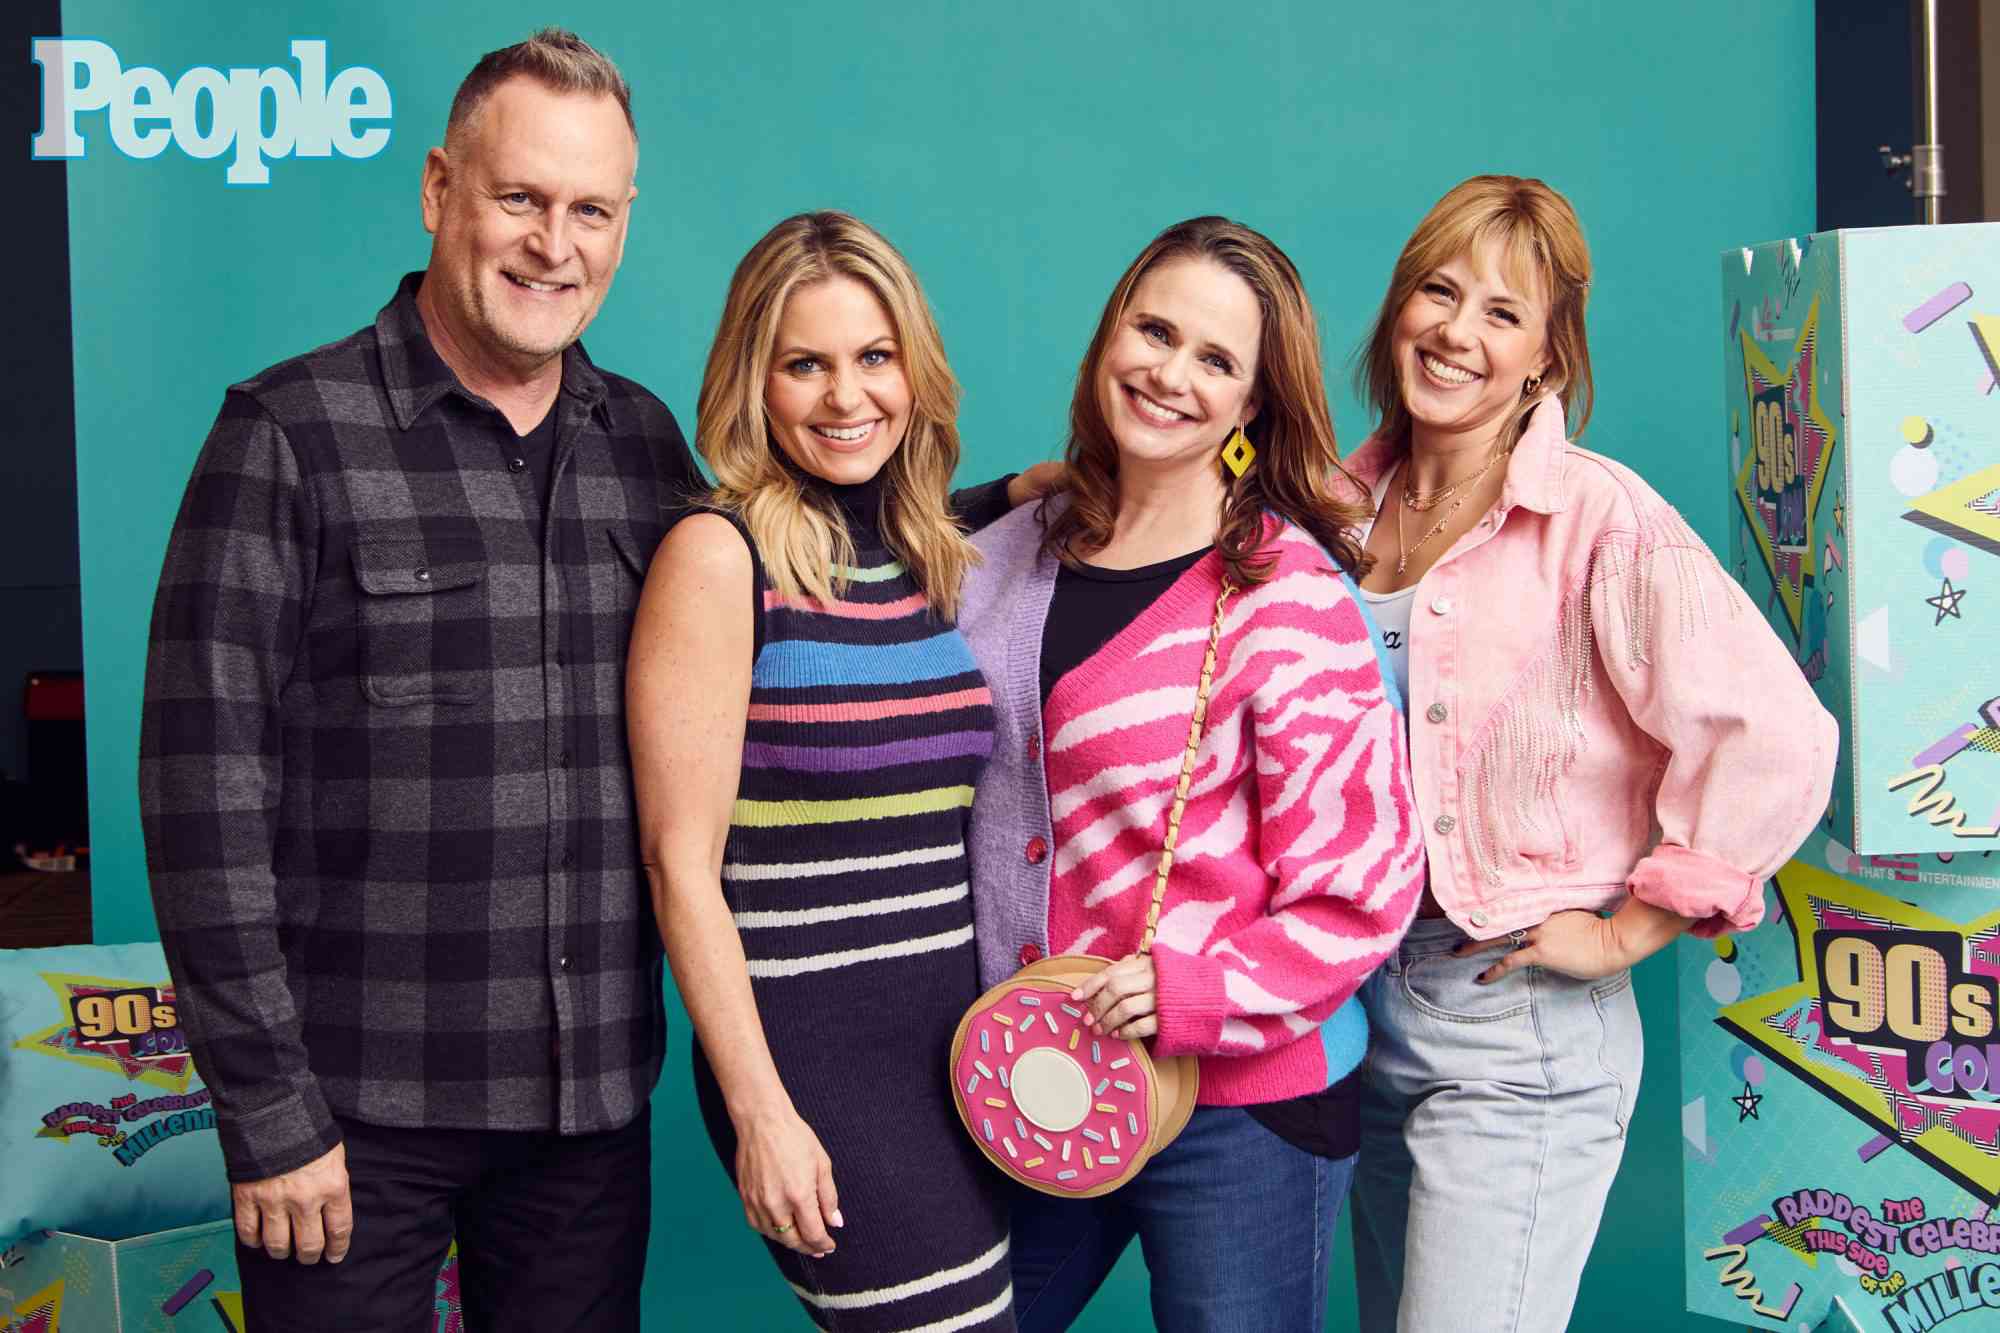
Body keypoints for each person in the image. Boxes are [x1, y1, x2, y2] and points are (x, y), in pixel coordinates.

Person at [139, 29, 686, 1330]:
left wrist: (1033, 506)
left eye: (591, 210)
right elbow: (198, 793)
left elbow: (809, 567)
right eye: (520, 198)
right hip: (349, 1125)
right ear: (441, 190)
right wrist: (269, 1113)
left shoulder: (648, 448)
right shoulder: (287, 433)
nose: (556, 243)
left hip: (586, 1116)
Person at [1340, 175, 1838, 1332]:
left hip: (1516, 1023)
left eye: (1501, 314)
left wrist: (1627, 928)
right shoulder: (1333, 510)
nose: (1456, 332)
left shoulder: (1597, 519)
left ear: (1545, 362)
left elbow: (1775, 732)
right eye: (1436, 291)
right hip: (1358, 1006)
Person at [960, 216, 1426, 1331]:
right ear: (1108, 331)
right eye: (1152, 329)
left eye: (1215, 360)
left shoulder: (1290, 599)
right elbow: (863, 541)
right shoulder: (1004, 550)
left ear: (1253, 402)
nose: (1169, 374)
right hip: (1036, 1066)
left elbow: (1367, 888)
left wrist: (1194, 992)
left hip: (1243, 1103)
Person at [627, 211, 1016, 1332]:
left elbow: (973, 503)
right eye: (805, 364)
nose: (847, 397)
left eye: (873, 357)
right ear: (756, 381)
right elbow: (677, 862)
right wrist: (760, 1111)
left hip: (958, 1060)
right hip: (817, 1072)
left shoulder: (918, 550)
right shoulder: (718, 555)